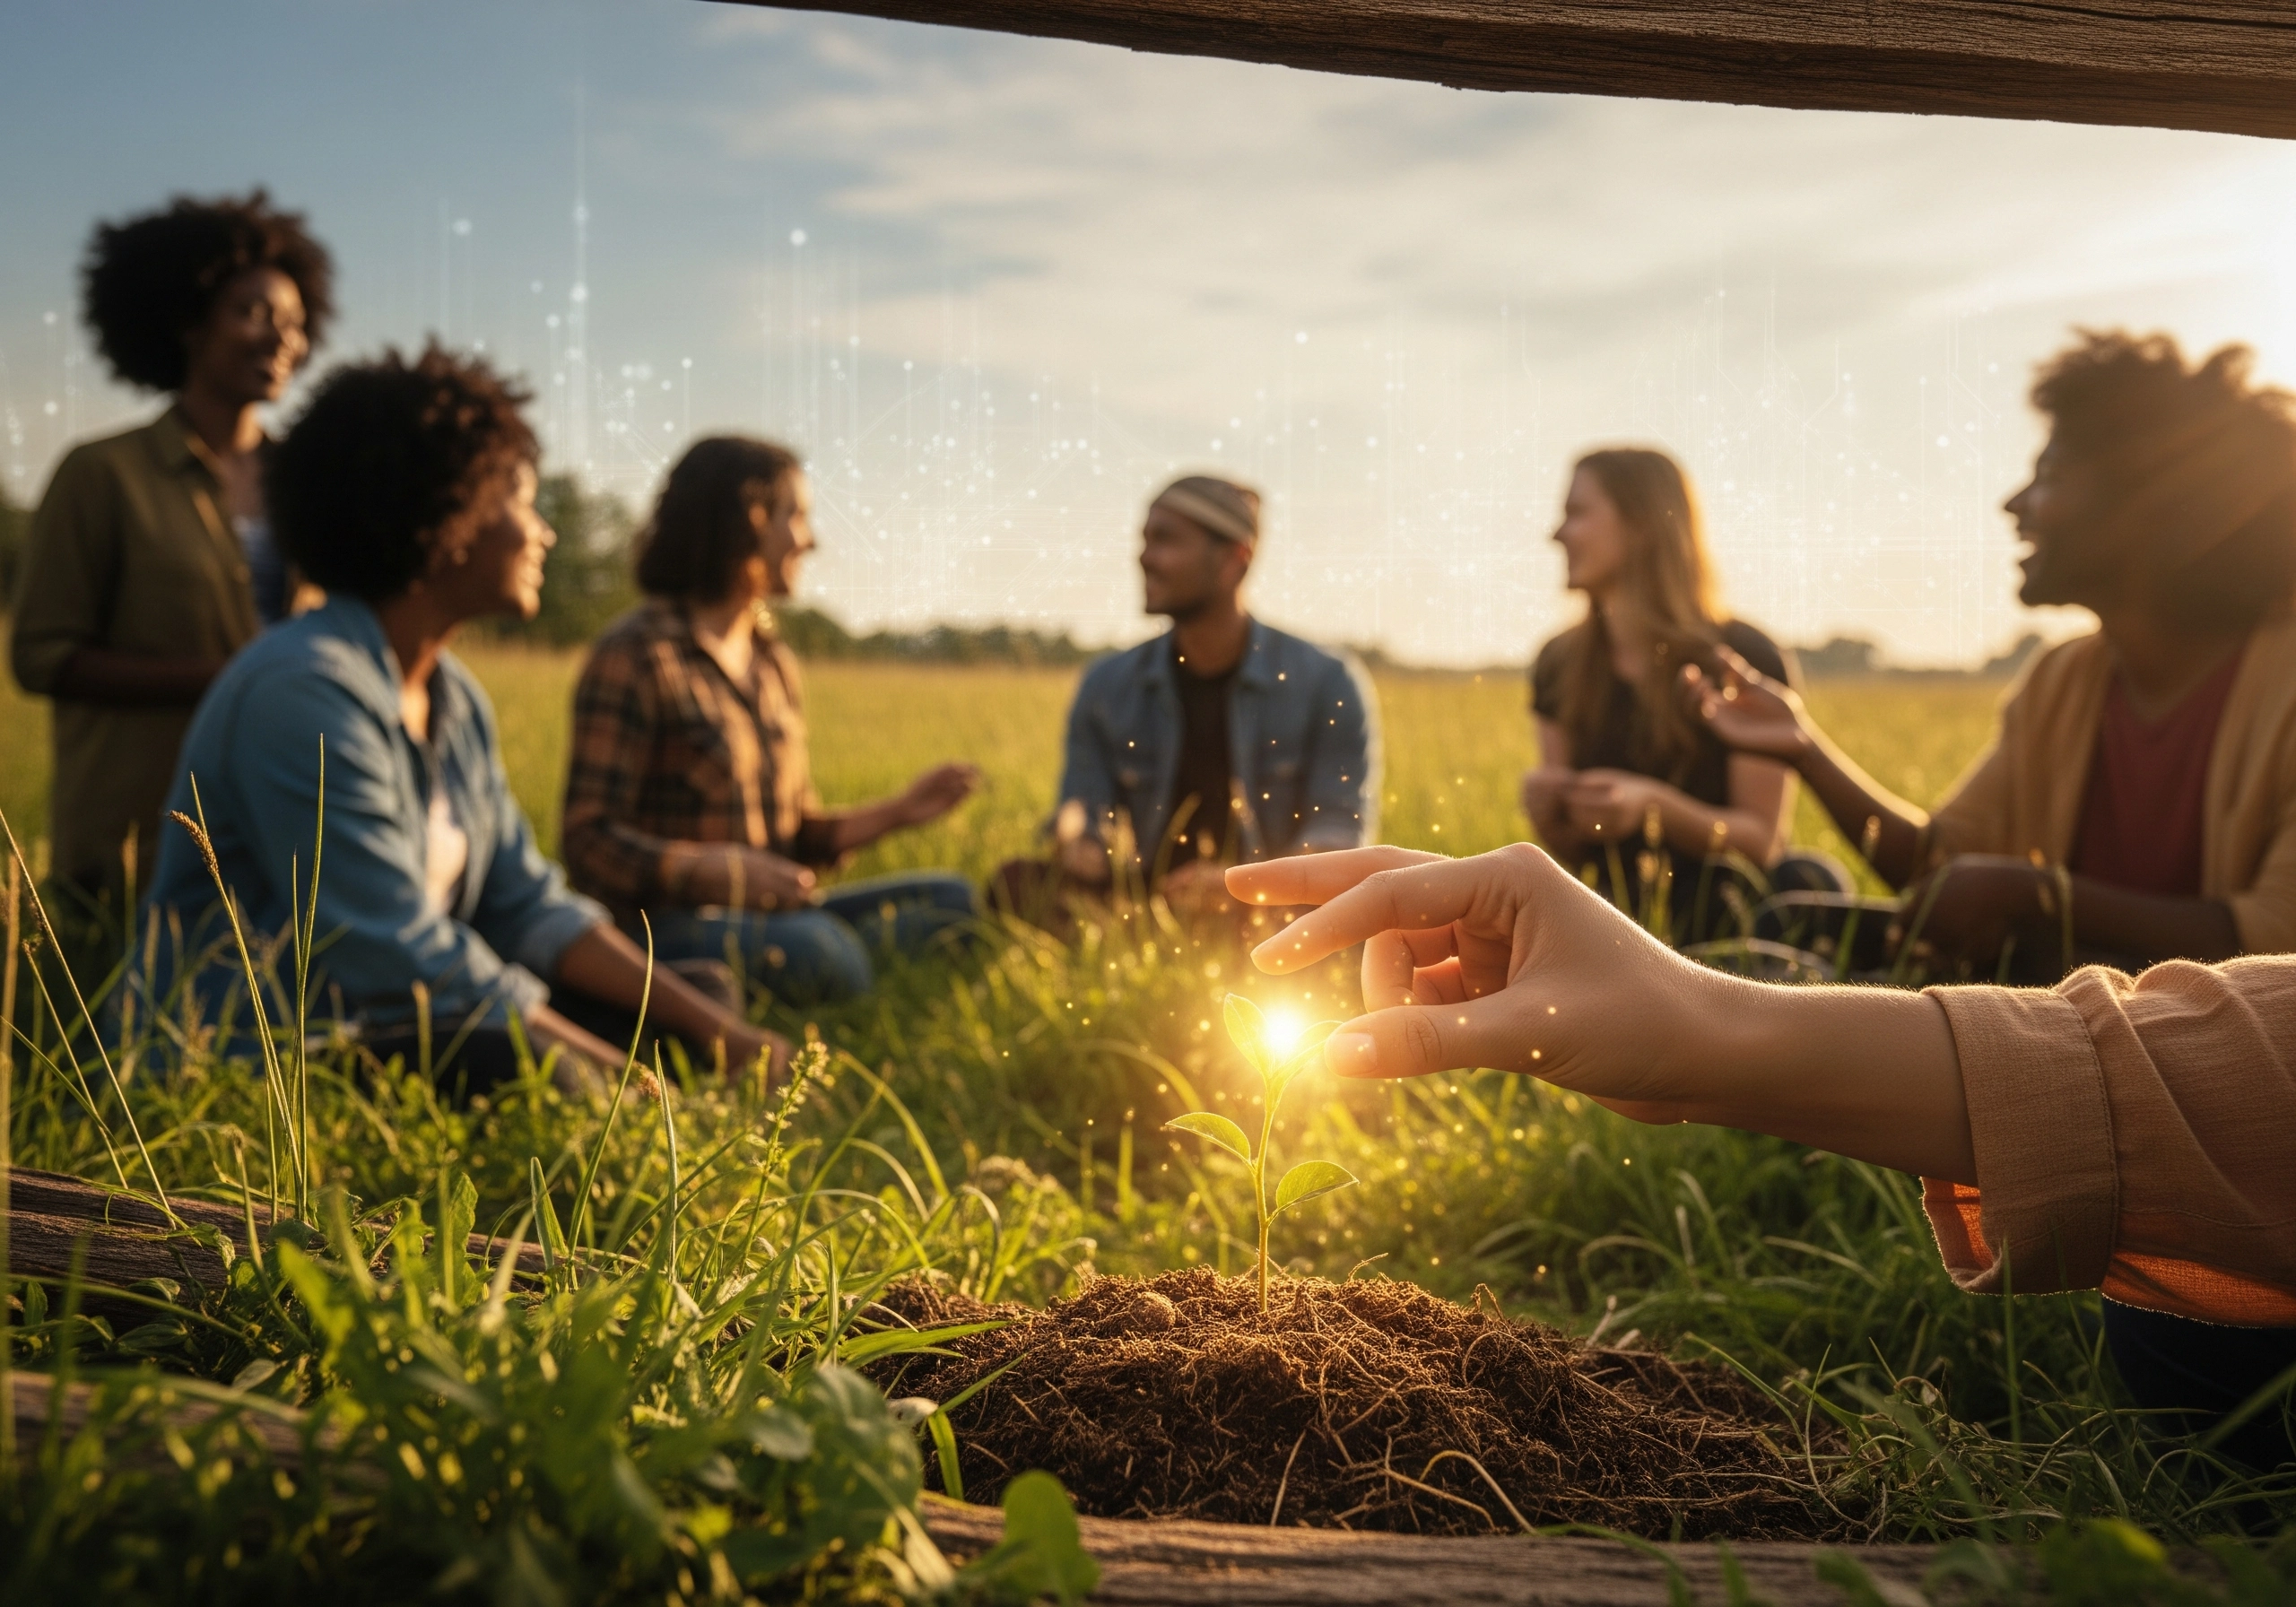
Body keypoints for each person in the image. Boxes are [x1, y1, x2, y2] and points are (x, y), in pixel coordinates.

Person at [1231, 842, 2296, 1469]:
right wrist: (1716, 1039)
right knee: (2170, 1327)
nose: (2020, 495)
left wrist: (1722, 1031)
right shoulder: (2067, 684)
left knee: (2177, 1329)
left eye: (2055, 457)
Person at [144, 347, 783, 1093]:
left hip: (411, 1013)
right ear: (446, 510)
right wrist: (636, 1089)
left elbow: (524, 905)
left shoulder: (453, 696)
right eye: (521, 501)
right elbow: (396, 956)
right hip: (282, 1043)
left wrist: (732, 1039)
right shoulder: (302, 693)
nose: (542, 533)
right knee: (544, 1067)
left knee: (698, 997)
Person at [1689, 332, 2296, 982]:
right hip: (2061, 988)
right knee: (1791, 921)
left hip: (2205, 1030)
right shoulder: (2068, 678)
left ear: (2149, 505)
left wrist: (2032, 894)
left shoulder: (2280, 680)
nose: (2015, 505)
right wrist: (1802, 749)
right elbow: (1941, 866)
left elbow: (2277, 938)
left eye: (2052, 478)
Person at [11, 191, 332, 946]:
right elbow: (41, 656)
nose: (279, 339)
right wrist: (230, 676)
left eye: (292, 322)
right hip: (138, 843)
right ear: (188, 321)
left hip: (278, 829)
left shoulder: (311, 487)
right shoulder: (101, 475)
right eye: (252, 313)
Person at [561, 437, 982, 1004]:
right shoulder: (636, 655)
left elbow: (794, 836)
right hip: (668, 924)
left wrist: (899, 812)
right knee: (824, 952)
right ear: (747, 522)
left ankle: (834, 964)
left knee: (952, 901)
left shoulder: (772, 662)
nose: (810, 541)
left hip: (775, 913)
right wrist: (705, 870)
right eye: (797, 516)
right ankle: (827, 967)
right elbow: (586, 839)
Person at [995, 475, 1378, 926]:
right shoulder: (1106, 683)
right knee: (1015, 886)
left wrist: (1245, 889)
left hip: (1268, 911)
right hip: (1142, 904)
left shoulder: (1327, 682)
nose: (1143, 557)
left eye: (1165, 540)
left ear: (1235, 559)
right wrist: (1084, 842)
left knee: (1373, 915)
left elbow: (1339, 831)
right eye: (1143, 540)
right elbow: (1084, 801)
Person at [1521, 447, 1839, 943]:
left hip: (1732, 928)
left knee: (1811, 879)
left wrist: (1654, 808)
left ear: (1642, 524)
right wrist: (1552, 817)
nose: (1556, 534)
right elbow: (1578, 862)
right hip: (1615, 928)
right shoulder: (1558, 664)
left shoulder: (1742, 657)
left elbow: (1763, 845)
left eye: (1577, 513)